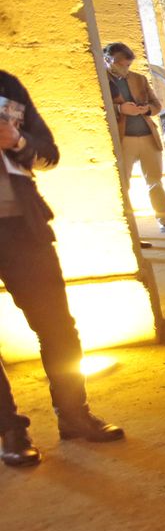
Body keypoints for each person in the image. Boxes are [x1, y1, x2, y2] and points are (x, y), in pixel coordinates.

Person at [0, 70, 124, 468]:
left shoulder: (7, 86)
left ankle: (75, 414)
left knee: (57, 327)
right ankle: (9, 430)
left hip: (23, 227)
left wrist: (17, 141)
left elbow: (48, 153)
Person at [103, 42, 165, 234]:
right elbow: (97, 108)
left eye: (127, 65)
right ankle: (129, 228)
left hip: (147, 134)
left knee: (155, 180)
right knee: (124, 183)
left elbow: (156, 104)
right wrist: (120, 109)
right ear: (108, 60)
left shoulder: (138, 79)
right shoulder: (101, 81)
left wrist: (146, 109)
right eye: (120, 64)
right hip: (124, 138)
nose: (124, 68)